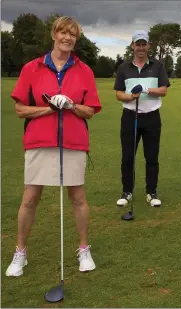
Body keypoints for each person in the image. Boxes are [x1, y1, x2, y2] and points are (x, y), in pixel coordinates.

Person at [6, 16, 102, 277]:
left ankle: (84, 249)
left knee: (78, 198)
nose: (67, 38)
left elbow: (90, 110)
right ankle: (20, 253)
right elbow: (19, 109)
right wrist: (49, 109)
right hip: (40, 141)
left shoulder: (84, 71)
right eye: (63, 32)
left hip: (73, 141)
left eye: (72, 34)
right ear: (54, 34)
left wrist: (71, 105)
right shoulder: (32, 68)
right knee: (29, 199)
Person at [114, 30, 170, 208]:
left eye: (143, 44)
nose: (140, 48)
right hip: (130, 117)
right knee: (128, 157)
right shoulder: (124, 67)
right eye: (137, 44)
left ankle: (151, 192)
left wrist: (146, 90)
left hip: (152, 117)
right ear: (132, 46)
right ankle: (127, 191)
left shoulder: (157, 65)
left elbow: (163, 90)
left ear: (148, 46)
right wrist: (130, 97)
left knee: (152, 157)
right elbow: (118, 94)